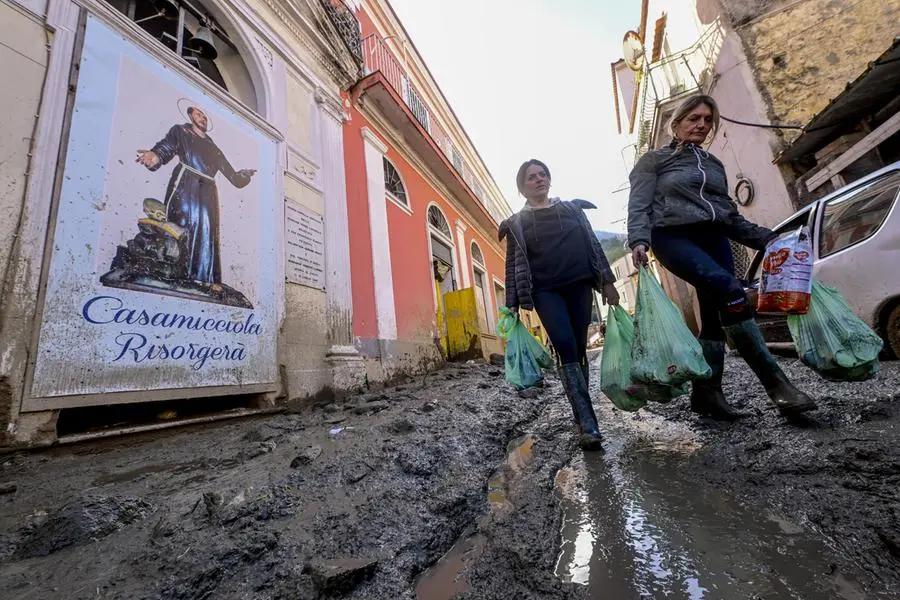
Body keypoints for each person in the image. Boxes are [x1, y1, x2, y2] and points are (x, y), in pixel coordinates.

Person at [627, 94, 816, 422]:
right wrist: (639, 241)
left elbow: (729, 216)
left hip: (713, 238)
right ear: (677, 123)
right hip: (672, 237)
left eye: (707, 120)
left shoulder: (714, 166)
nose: (701, 124)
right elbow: (639, 204)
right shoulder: (654, 161)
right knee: (730, 290)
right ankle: (778, 387)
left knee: (714, 318)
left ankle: (707, 395)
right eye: (693, 118)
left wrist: (767, 238)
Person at [499, 159, 619, 451]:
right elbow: (513, 264)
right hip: (545, 290)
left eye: (543, 175)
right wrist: (512, 302)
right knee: (564, 344)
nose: (539, 179)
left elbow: (593, 245)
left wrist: (607, 281)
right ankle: (587, 423)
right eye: (531, 177)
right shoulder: (517, 223)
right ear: (522, 187)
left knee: (578, 347)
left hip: (579, 284)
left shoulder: (572, 209)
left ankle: (584, 409)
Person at [136, 105, 256, 291]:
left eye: (205, 116)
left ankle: (207, 278)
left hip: (207, 191)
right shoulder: (181, 131)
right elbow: (167, 146)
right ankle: (177, 272)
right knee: (183, 224)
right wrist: (155, 155)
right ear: (191, 116)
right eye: (199, 114)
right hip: (185, 185)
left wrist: (245, 175)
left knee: (208, 232)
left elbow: (233, 177)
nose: (202, 118)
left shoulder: (213, 148)